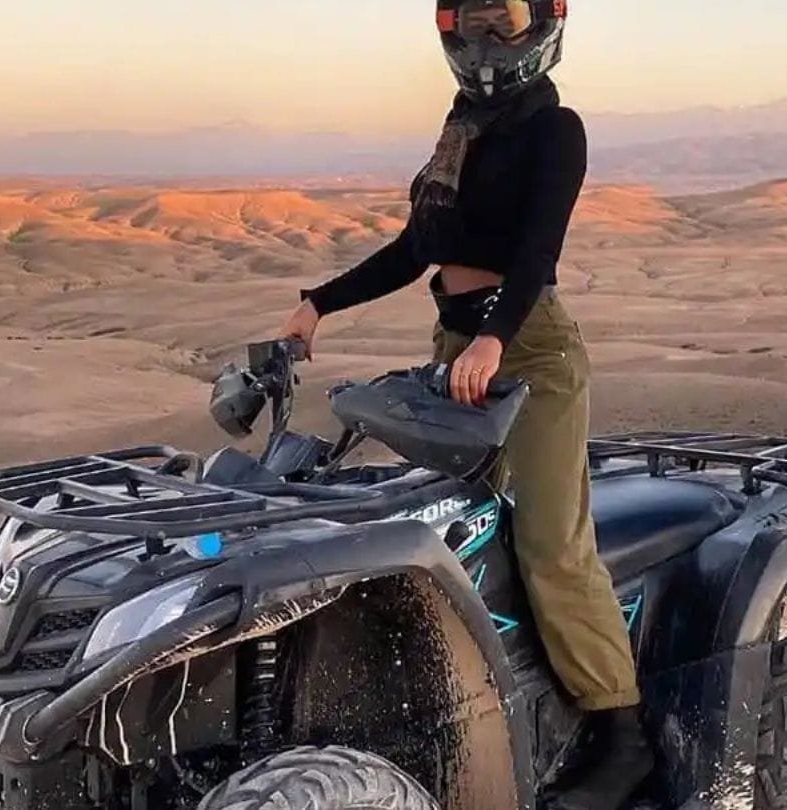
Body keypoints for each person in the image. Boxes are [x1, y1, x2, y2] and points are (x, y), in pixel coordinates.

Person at [279, 1, 654, 807]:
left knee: (552, 543)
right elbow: (419, 250)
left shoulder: (557, 131)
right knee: (452, 534)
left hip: (530, 353)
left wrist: (495, 337)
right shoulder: (461, 133)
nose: (487, 40)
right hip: (461, 352)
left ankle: (620, 733)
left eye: (505, 20)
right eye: (473, 20)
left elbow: (537, 251)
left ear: (542, 25)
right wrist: (320, 302)